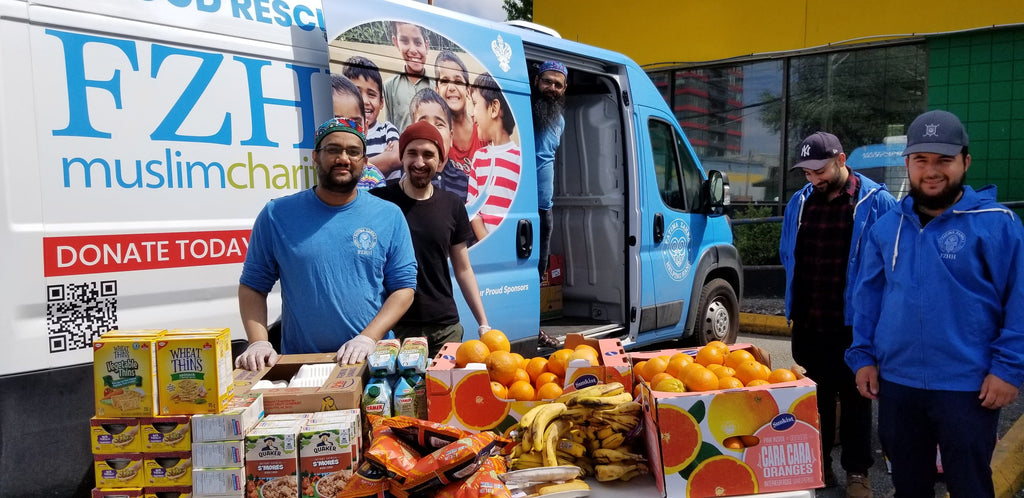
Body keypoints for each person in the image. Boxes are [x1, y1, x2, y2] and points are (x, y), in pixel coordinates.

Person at [846, 110, 1024, 498]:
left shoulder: (998, 224)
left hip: (969, 387)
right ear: (908, 163)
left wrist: (1009, 370)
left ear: (965, 161)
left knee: (970, 487)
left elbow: (1019, 302)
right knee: (908, 487)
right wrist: (863, 357)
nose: (931, 171)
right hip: (898, 385)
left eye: (944, 160)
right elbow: (868, 298)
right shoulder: (886, 227)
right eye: (921, 160)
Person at [234, 117, 418, 371]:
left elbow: (404, 288)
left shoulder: (389, 215)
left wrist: (368, 337)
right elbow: (253, 286)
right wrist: (258, 342)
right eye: (333, 149)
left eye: (353, 152)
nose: (343, 158)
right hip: (302, 366)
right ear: (315, 157)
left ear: (365, 162)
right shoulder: (277, 215)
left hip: (373, 363)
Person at [780, 131, 896, 497]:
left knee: (857, 397)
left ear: (841, 160)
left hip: (853, 325)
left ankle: (857, 472)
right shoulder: (799, 202)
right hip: (809, 320)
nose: (813, 178)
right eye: (807, 172)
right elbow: (788, 255)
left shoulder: (877, 202)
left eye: (820, 170)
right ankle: (820, 465)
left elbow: (893, 267)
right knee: (816, 397)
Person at [370, 121, 490, 358]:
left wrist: (483, 323)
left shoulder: (452, 205)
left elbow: (463, 269)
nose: (419, 162)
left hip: (444, 328)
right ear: (402, 157)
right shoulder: (379, 202)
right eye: (412, 153)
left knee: (445, 383)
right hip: (394, 328)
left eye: (428, 154)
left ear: (440, 161)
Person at [466, 72, 521, 242]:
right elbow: (472, 209)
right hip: (487, 246)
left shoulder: (519, 159)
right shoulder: (479, 157)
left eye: (475, 104)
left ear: (494, 108)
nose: (472, 114)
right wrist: (488, 242)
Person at [532, 60, 568, 277]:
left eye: (557, 85)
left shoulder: (559, 121)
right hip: (521, 204)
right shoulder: (525, 112)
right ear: (537, 81)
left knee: (539, 271)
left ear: (564, 89)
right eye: (547, 82)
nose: (552, 88)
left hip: (545, 208)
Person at [343, 56, 401, 177]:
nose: (364, 101)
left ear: (381, 102)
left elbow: (395, 158)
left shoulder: (387, 130)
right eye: (357, 92)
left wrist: (353, 166)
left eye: (371, 94)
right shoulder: (342, 132)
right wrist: (382, 158)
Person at [409, 88, 469, 201]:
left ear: (451, 138)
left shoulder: (464, 182)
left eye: (439, 124)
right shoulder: (407, 180)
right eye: (424, 123)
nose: (432, 131)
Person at [434, 50, 484, 179]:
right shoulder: (435, 135)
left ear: (468, 90)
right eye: (444, 81)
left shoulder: (484, 129)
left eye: (458, 82)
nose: (451, 88)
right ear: (437, 90)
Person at [331, 74, 386, 189]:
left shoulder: (373, 179)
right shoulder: (305, 169)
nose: (346, 133)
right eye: (336, 123)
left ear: (365, 129)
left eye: (354, 124)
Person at [383, 21, 431, 133]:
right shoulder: (389, 86)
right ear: (396, 43)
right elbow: (389, 129)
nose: (413, 50)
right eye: (404, 41)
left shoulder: (437, 86)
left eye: (418, 42)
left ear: (426, 46)